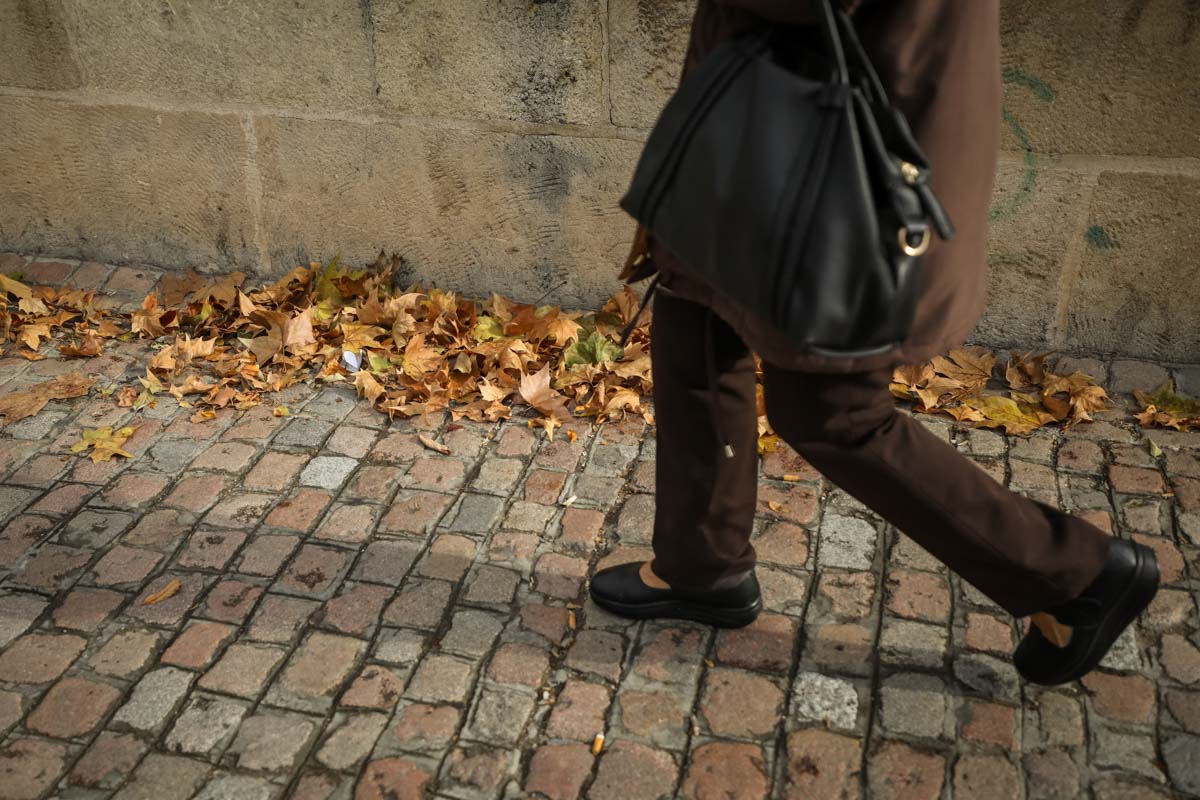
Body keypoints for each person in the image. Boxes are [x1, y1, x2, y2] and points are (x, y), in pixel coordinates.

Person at [588, 0, 1160, 687]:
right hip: (758, 120)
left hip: (838, 152)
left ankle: (1074, 573)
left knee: (832, 411)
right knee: (696, 324)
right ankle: (699, 567)